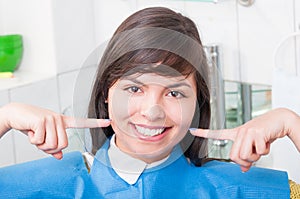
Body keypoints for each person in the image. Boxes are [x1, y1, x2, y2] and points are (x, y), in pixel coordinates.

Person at [0, 6, 299, 198]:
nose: (152, 111)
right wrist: (6, 117)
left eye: (174, 93)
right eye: (134, 88)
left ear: (197, 105)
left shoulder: (239, 189)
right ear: (107, 92)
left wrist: (290, 122)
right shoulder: (47, 184)